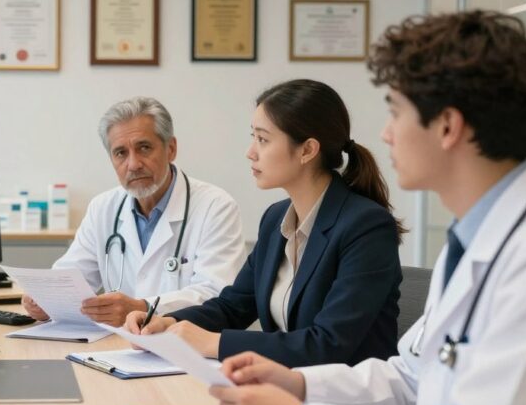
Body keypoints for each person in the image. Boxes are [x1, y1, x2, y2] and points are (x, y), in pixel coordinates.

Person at [212, 11, 526, 405]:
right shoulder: (476, 240)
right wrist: (299, 384)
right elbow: (411, 378)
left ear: (447, 127)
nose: (385, 134)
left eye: (396, 111)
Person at [126, 80, 403, 367]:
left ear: (307, 150)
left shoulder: (366, 227)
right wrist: (166, 322)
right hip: (285, 388)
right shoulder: (276, 219)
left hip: (349, 400)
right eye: (253, 137)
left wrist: (212, 342)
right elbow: (233, 306)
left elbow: (328, 344)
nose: (251, 152)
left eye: (263, 139)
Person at [22, 97, 246, 326]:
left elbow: (218, 294)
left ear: (171, 149)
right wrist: (46, 299)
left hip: (187, 346)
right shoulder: (103, 208)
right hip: (117, 347)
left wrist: (143, 308)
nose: (133, 164)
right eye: (120, 153)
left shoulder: (215, 206)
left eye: (144, 148)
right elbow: (71, 278)